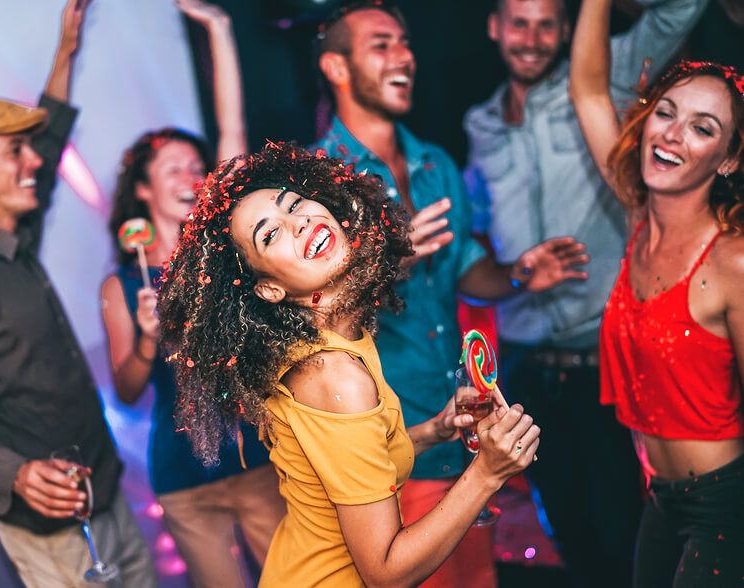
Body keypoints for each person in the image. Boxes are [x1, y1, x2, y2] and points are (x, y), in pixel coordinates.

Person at [157, 141, 543, 587]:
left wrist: (434, 431)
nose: (299, 222)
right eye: (271, 234)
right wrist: (487, 473)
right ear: (269, 290)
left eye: (295, 204)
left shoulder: (333, 337)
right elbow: (386, 571)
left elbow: (344, 465)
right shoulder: (334, 375)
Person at [311, 3, 588, 586]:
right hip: (392, 444)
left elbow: (464, 268)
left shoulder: (434, 162)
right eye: (381, 44)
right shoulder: (316, 187)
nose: (405, 56)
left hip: (461, 433)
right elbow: (311, 317)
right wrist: (386, 262)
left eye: (405, 43)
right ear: (336, 66)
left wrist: (516, 274)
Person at [0, 2, 157, 586]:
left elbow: (54, 130)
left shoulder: (16, 237)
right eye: (13, 151)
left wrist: (66, 49)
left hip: (104, 499)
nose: (34, 162)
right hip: (56, 539)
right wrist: (13, 474)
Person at [463, 0, 709, 584]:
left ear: (568, 30)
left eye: (547, 22)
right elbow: (476, 246)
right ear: (495, 27)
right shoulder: (480, 123)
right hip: (524, 371)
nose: (532, 37)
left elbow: (680, 13)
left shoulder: (607, 75)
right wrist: (519, 270)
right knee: (570, 537)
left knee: (627, 538)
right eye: (518, 22)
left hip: (605, 364)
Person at [99, 1, 286, 586]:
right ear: (141, 189)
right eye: (175, 168)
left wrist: (221, 29)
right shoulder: (122, 284)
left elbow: (233, 133)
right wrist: (150, 339)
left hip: (256, 458)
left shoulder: (213, 253)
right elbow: (128, 391)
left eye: (196, 167)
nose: (192, 176)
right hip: (182, 480)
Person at [570, 1, 744, 585]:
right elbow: (589, 91)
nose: (671, 134)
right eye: (665, 112)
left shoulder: (732, 261)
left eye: (702, 127)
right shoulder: (636, 217)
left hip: (726, 508)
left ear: (729, 158)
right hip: (660, 500)